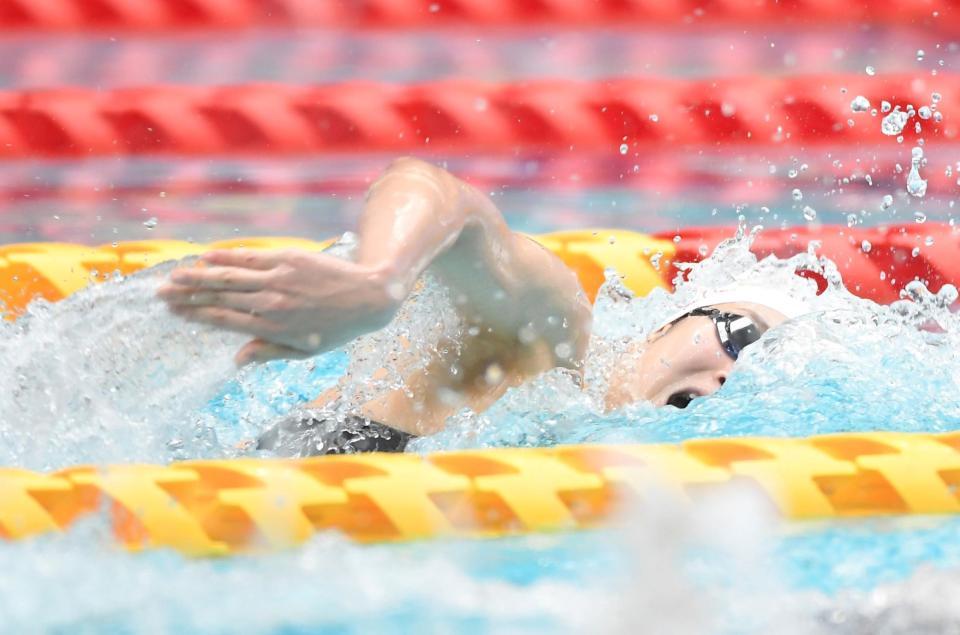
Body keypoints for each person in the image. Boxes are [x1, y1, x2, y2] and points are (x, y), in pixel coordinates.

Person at [157, 158, 809, 456]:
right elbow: (437, 192)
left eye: (756, 374)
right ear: (668, 322)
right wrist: (377, 283)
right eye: (740, 335)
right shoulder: (557, 342)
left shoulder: (570, 449)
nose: (733, 374)